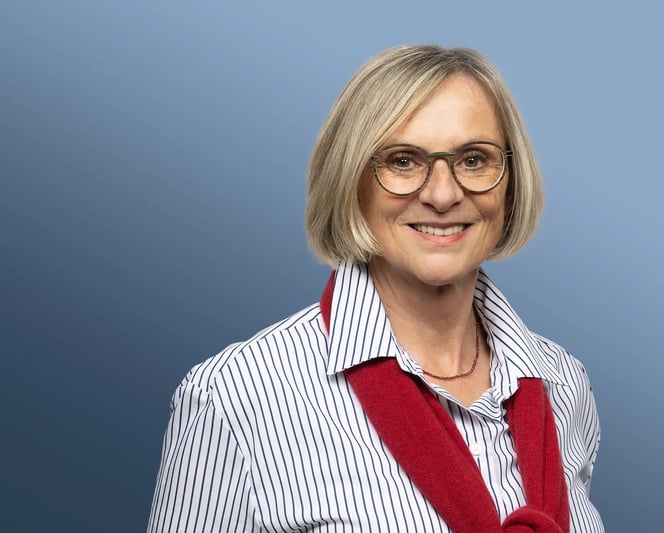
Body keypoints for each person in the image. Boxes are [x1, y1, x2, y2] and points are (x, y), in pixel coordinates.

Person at [148, 45, 603, 533]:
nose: (443, 194)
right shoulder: (233, 398)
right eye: (404, 161)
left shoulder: (564, 384)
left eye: (474, 159)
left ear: (510, 184)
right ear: (351, 181)